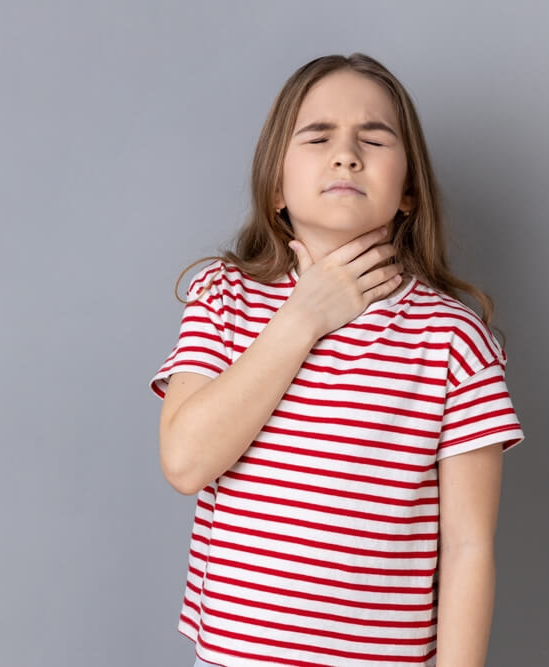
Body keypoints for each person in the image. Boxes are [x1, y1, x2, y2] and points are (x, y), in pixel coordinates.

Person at [149, 52, 526, 667]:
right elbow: (186, 462)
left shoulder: (454, 340)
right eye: (318, 136)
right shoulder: (225, 296)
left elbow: (467, 548)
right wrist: (305, 317)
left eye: (373, 139)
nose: (346, 154)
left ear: (408, 190)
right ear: (276, 184)